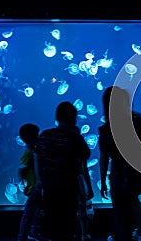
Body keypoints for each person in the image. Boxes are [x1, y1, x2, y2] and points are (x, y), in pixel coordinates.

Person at [34, 101, 91, 241]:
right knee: (67, 225)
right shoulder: (74, 137)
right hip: (68, 188)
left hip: (49, 187)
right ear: (73, 118)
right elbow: (86, 155)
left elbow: (36, 156)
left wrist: (39, 179)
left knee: (51, 223)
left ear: (57, 117)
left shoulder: (45, 135)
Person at [99, 86, 141, 241]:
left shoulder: (107, 128)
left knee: (120, 210)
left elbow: (104, 157)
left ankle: (122, 234)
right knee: (133, 201)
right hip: (134, 172)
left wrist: (102, 181)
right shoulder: (137, 121)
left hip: (119, 175)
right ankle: (138, 232)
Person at [17, 123, 42, 241]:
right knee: (28, 213)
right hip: (33, 187)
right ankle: (22, 237)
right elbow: (21, 169)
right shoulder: (28, 152)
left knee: (36, 212)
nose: (38, 138)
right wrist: (22, 183)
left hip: (36, 187)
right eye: (36, 136)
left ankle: (33, 233)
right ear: (29, 139)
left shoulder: (33, 150)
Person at [75, 155, 94, 241]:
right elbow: (84, 170)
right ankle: (84, 235)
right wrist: (89, 188)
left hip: (64, 180)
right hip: (79, 181)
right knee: (82, 207)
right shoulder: (80, 151)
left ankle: (72, 233)